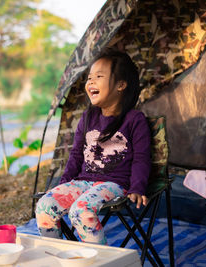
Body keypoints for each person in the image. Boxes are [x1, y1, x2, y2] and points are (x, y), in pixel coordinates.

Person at [35, 47, 151, 245]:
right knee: (44, 206)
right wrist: (64, 183)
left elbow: (142, 157)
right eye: (89, 78)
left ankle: (101, 261)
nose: (90, 82)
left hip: (114, 184)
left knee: (81, 211)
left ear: (121, 85)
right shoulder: (88, 117)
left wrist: (137, 187)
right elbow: (76, 156)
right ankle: (57, 255)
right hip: (84, 182)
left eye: (99, 76)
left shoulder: (134, 119)